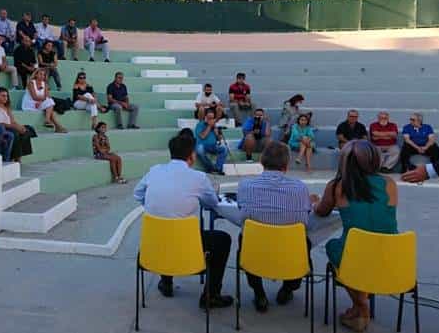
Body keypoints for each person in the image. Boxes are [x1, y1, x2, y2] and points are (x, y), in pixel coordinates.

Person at [133, 134, 234, 309]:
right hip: (186, 246)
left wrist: (157, 206)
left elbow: (138, 194)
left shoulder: (154, 170)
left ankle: (166, 282)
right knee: (222, 239)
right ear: (192, 155)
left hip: (154, 244)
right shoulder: (198, 177)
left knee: (166, 229)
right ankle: (211, 295)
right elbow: (212, 202)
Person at [314, 140, 398, 332]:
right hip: (389, 254)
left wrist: (315, 202)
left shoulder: (337, 186)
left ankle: (361, 306)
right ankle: (359, 306)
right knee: (362, 250)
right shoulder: (389, 183)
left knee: (334, 247)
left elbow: (321, 211)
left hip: (355, 255)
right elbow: (380, 216)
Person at [237, 141, 318, 312]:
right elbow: (305, 219)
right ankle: (288, 288)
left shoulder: (245, 186)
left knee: (244, 237)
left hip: (256, 252)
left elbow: (241, 210)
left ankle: (259, 293)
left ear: (262, 162)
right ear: (286, 165)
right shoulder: (300, 188)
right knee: (305, 242)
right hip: (289, 251)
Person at [0, 87, 33, 162]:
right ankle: (15, 158)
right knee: (15, 133)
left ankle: (19, 157)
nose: (5, 98)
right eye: (3, 96)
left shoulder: (7, 107)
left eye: (6, 96)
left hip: (10, 126)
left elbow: (13, 121)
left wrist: (20, 127)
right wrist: (15, 127)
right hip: (1, 127)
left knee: (28, 129)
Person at [194, 109, 228, 175]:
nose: (211, 120)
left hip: (213, 146)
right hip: (203, 145)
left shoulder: (214, 126)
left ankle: (218, 168)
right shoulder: (200, 125)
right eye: (209, 118)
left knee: (224, 148)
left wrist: (217, 133)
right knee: (199, 149)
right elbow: (203, 136)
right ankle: (211, 168)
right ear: (205, 117)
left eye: (212, 118)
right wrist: (209, 126)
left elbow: (219, 139)